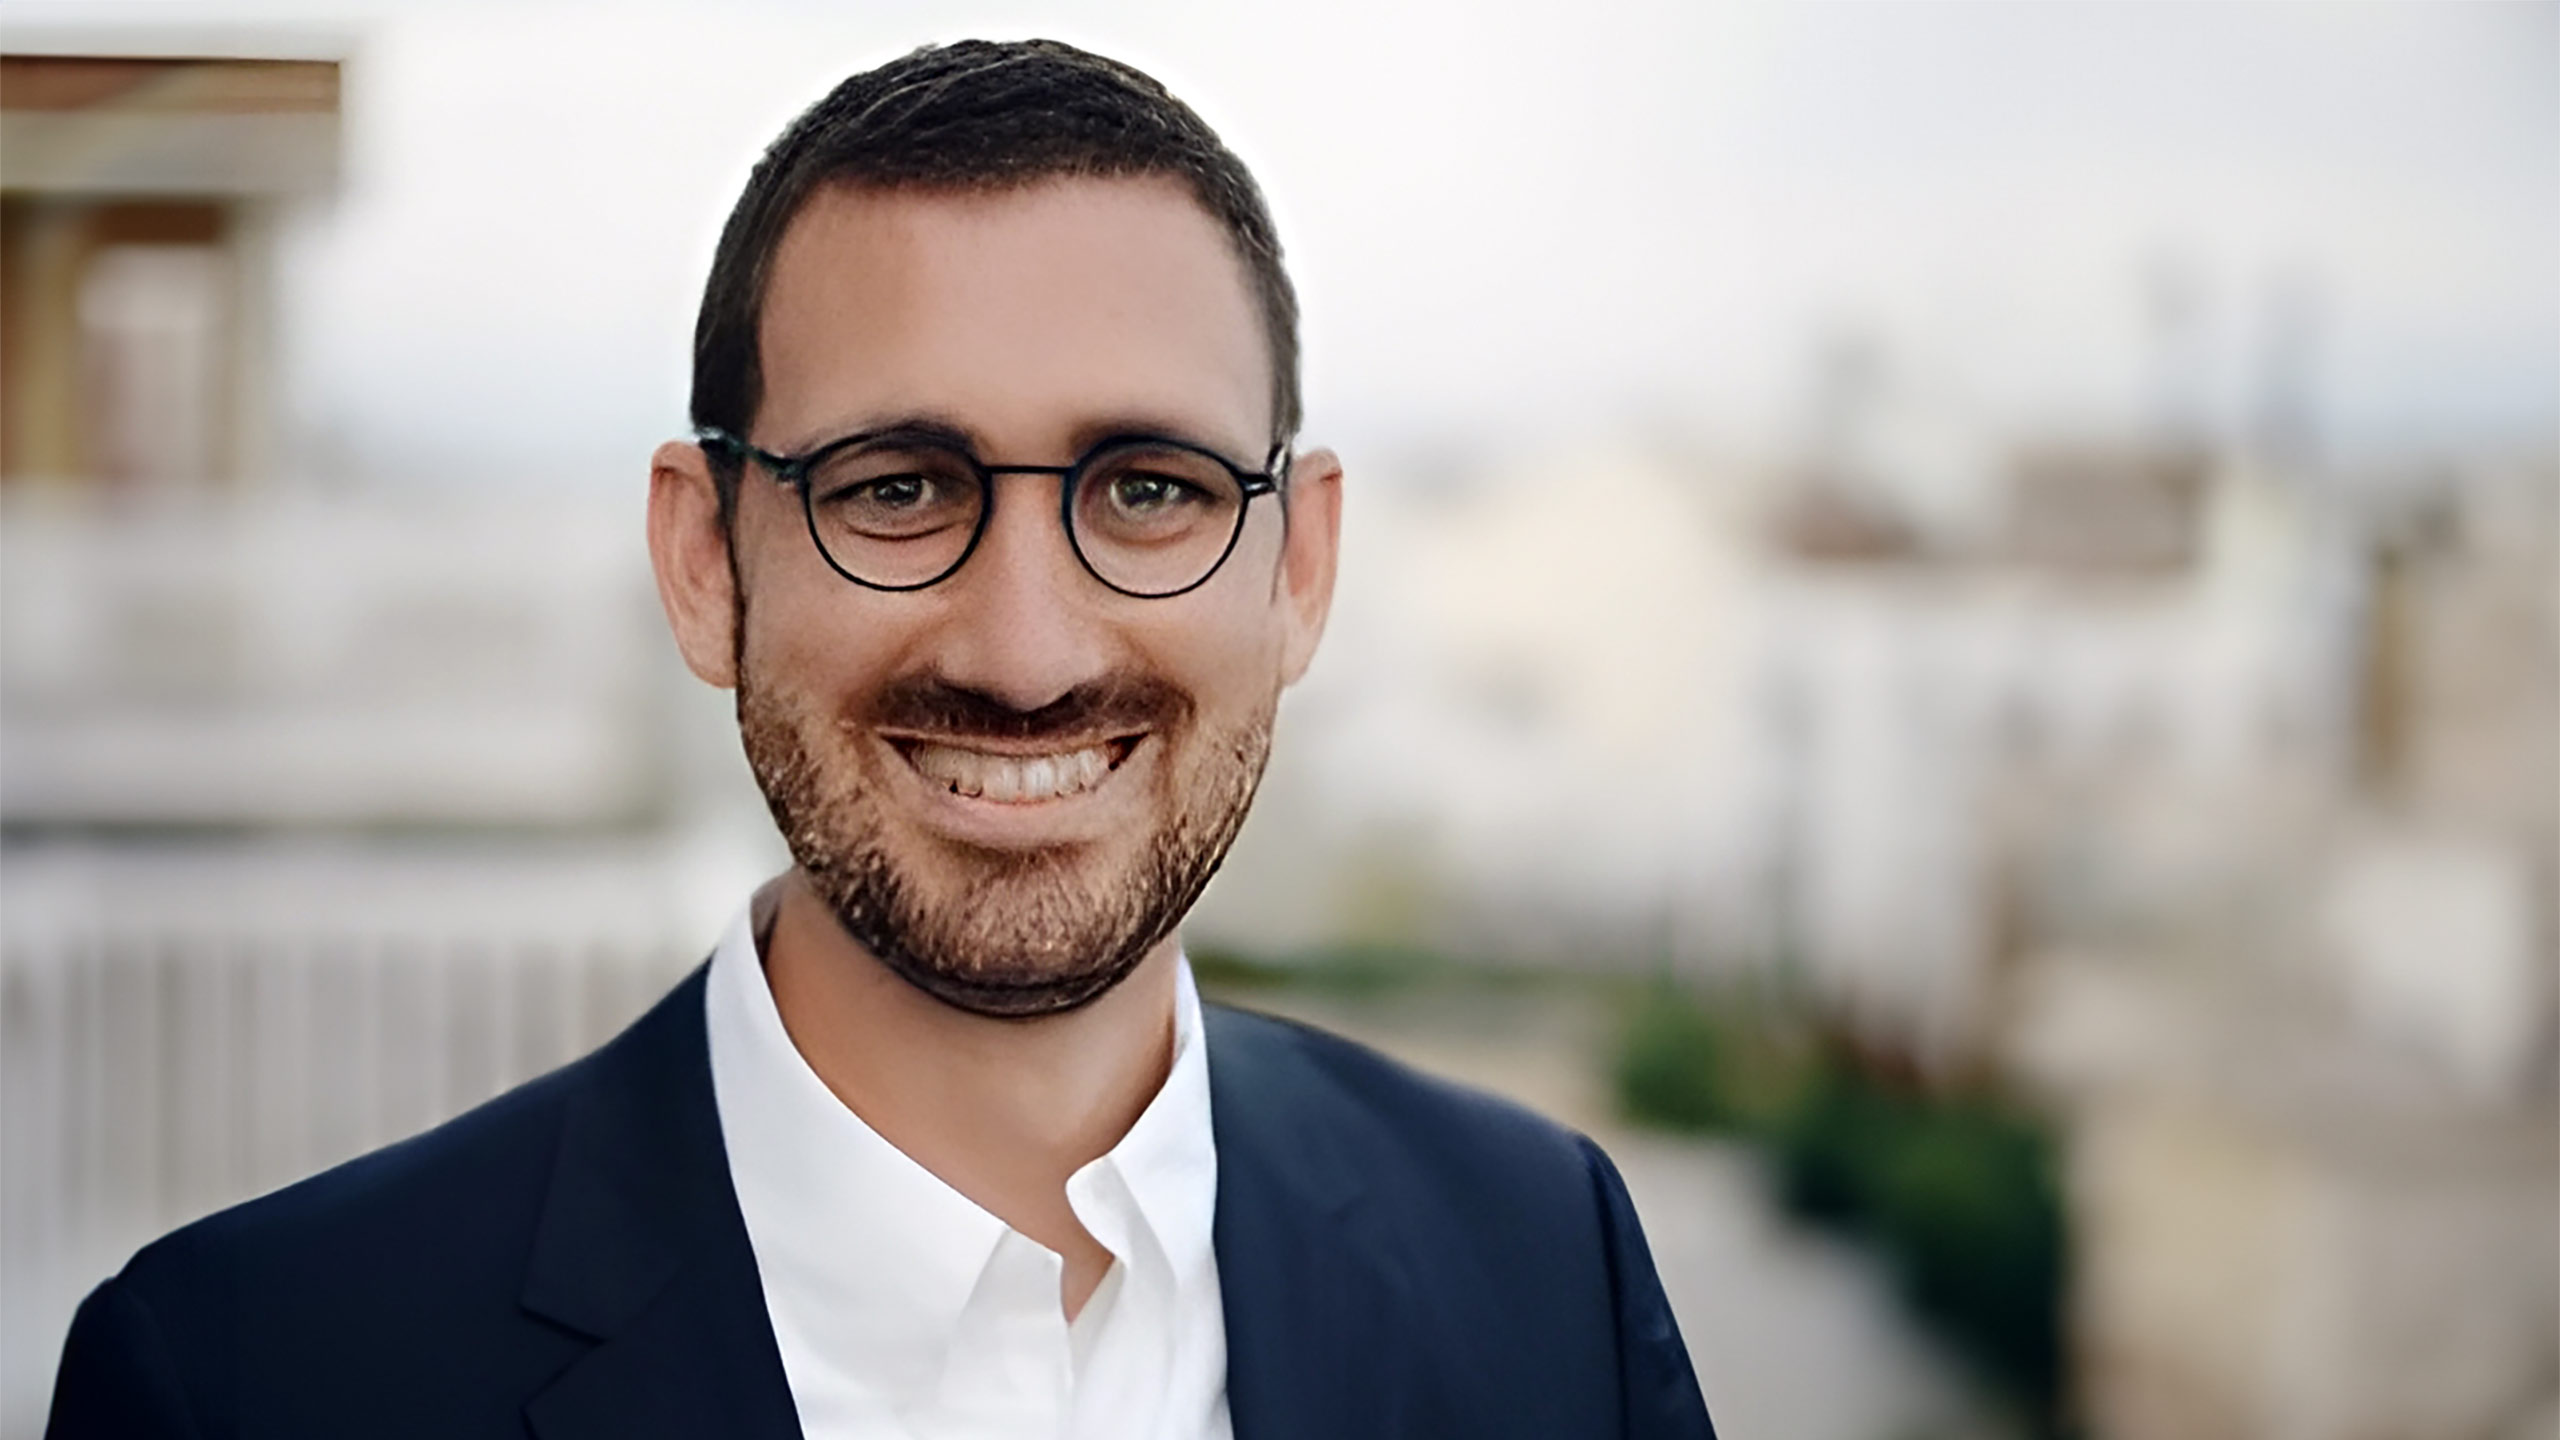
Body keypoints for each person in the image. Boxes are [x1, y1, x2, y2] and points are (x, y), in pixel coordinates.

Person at [46, 38, 1715, 1440]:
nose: (1024, 651)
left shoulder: (1546, 1269)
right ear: (706, 563)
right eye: (897, 491)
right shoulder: (247, 1377)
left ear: (1303, 569)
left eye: (1149, 491)